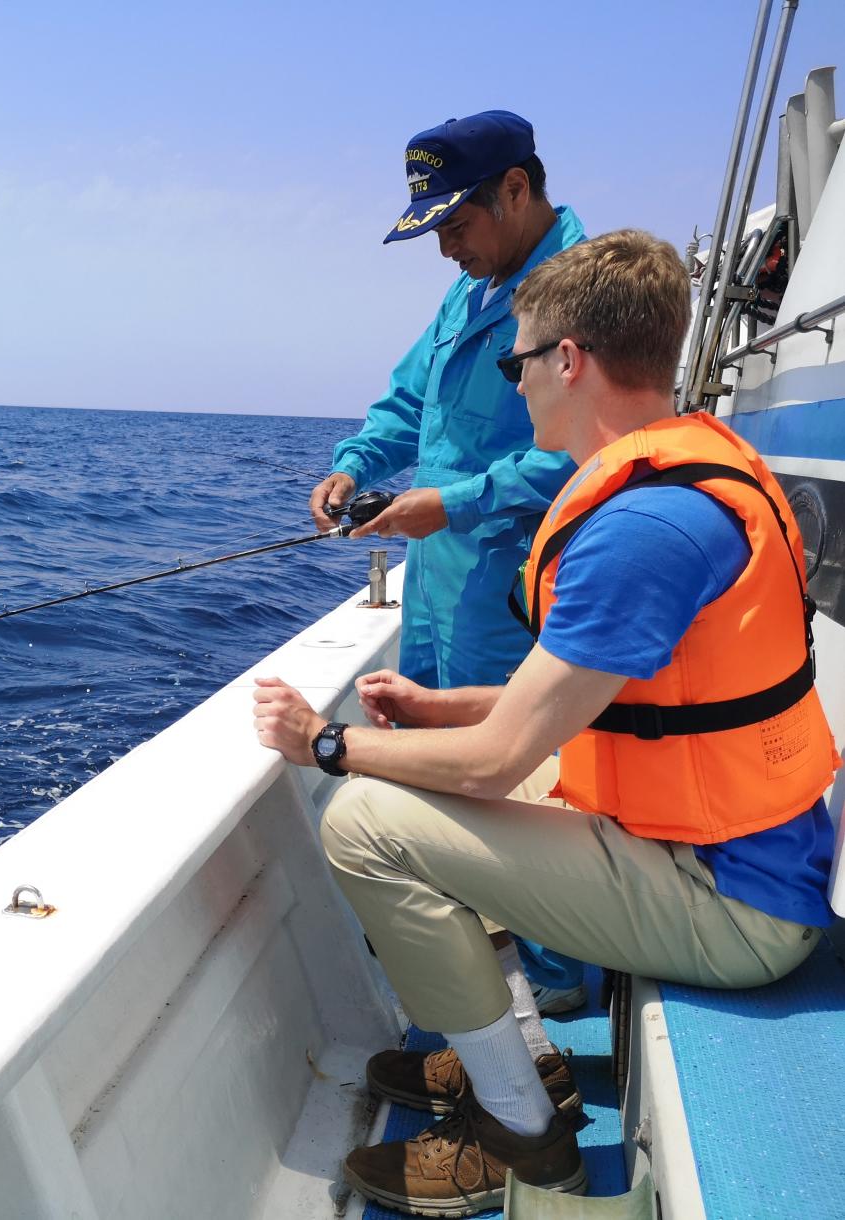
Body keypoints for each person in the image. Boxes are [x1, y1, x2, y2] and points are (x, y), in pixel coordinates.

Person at [257, 229, 838, 1216]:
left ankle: (524, 1140)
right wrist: (436, 708)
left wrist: (326, 742)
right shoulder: (684, 477)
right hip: (730, 851)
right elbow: (594, 705)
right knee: (417, 773)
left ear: (568, 360)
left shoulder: (641, 527)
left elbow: (495, 762)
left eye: (517, 359)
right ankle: (520, 1060)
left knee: (361, 820)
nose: (514, 382)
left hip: (732, 905)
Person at [315, 109, 591, 1007]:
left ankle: (559, 997)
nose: (446, 250)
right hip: (438, 580)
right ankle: (476, 956)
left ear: (517, 190)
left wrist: (455, 502)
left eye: (457, 226)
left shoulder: (580, 289)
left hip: (511, 590)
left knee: (525, 785)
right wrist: (358, 461)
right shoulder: (472, 288)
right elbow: (408, 394)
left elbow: (581, 451)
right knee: (439, 761)